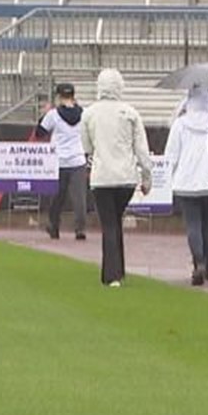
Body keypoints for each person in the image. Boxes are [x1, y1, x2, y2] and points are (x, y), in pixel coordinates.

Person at [80, 69, 154, 288]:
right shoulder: (130, 112)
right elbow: (141, 148)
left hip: (102, 177)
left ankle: (111, 274)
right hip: (126, 178)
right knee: (115, 221)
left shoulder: (89, 114)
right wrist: (147, 176)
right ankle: (117, 270)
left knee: (109, 224)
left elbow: (87, 147)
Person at [166, 86, 208, 286]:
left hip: (186, 182)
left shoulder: (180, 124)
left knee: (193, 224)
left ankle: (198, 262)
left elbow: (171, 155)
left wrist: (171, 175)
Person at [39, 82, 89, 241]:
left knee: (57, 199)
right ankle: (80, 229)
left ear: (59, 97)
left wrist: (44, 113)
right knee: (80, 199)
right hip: (78, 160)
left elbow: (40, 132)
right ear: (73, 96)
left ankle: (54, 227)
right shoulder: (84, 113)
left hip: (59, 161)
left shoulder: (53, 114)